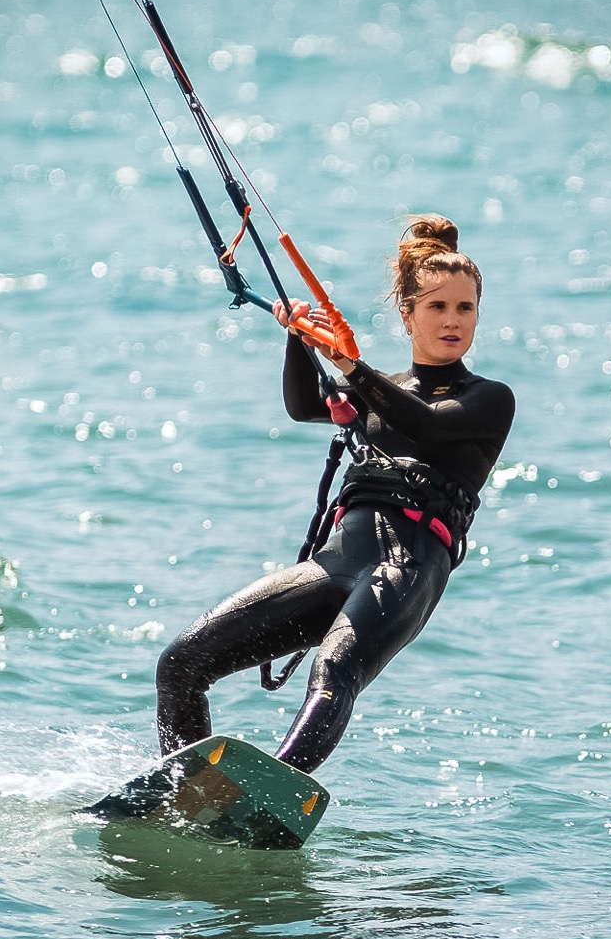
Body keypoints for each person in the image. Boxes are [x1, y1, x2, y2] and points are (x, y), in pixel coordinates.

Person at [155, 214, 515, 775]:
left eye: (465, 308)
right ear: (408, 314)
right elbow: (304, 405)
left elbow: (425, 425)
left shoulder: (489, 398)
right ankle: (185, 787)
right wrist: (298, 338)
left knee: (333, 675)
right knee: (181, 661)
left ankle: (272, 792)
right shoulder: (378, 389)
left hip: (406, 566)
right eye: (437, 307)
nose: (452, 321)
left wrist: (351, 365)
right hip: (334, 563)